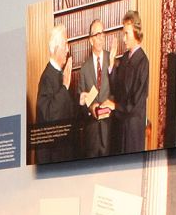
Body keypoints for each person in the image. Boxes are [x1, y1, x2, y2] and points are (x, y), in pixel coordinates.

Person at [34, 24, 91, 163]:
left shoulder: (60, 74)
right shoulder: (47, 78)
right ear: (56, 48)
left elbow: (66, 111)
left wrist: (79, 102)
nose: (67, 49)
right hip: (53, 158)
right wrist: (65, 86)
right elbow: (49, 116)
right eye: (65, 44)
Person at [112, 9, 151, 153]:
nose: (123, 39)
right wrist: (111, 66)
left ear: (136, 33)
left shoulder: (142, 62)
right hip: (122, 125)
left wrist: (115, 106)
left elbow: (136, 102)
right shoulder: (124, 59)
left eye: (126, 34)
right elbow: (116, 88)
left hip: (133, 129)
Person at [80, 19, 113, 157]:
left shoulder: (112, 60)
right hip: (92, 134)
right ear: (90, 40)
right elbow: (82, 100)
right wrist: (90, 107)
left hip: (110, 129)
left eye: (102, 34)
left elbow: (119, 90)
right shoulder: (84, 68)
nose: (100, 38)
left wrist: (110, 103)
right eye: (97, 34)